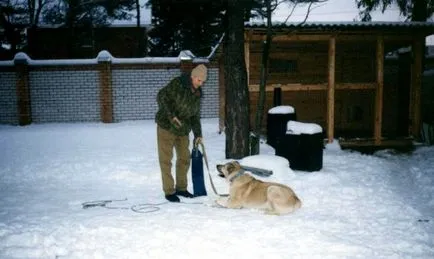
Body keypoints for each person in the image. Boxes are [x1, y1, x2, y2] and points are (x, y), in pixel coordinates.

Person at [155, 64, 207, 202]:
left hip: (183, 129)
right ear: (193, 77)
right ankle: (169, 191)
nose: (200, 84)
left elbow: (195, 116)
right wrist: (172, 116)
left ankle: (181, 189)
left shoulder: (197, 94)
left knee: (184, 158)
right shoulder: (178, 84)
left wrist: (198, 134)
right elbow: (161, 96)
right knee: (166, 160)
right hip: (166, 126)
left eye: (202, 82)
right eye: (199, 80)